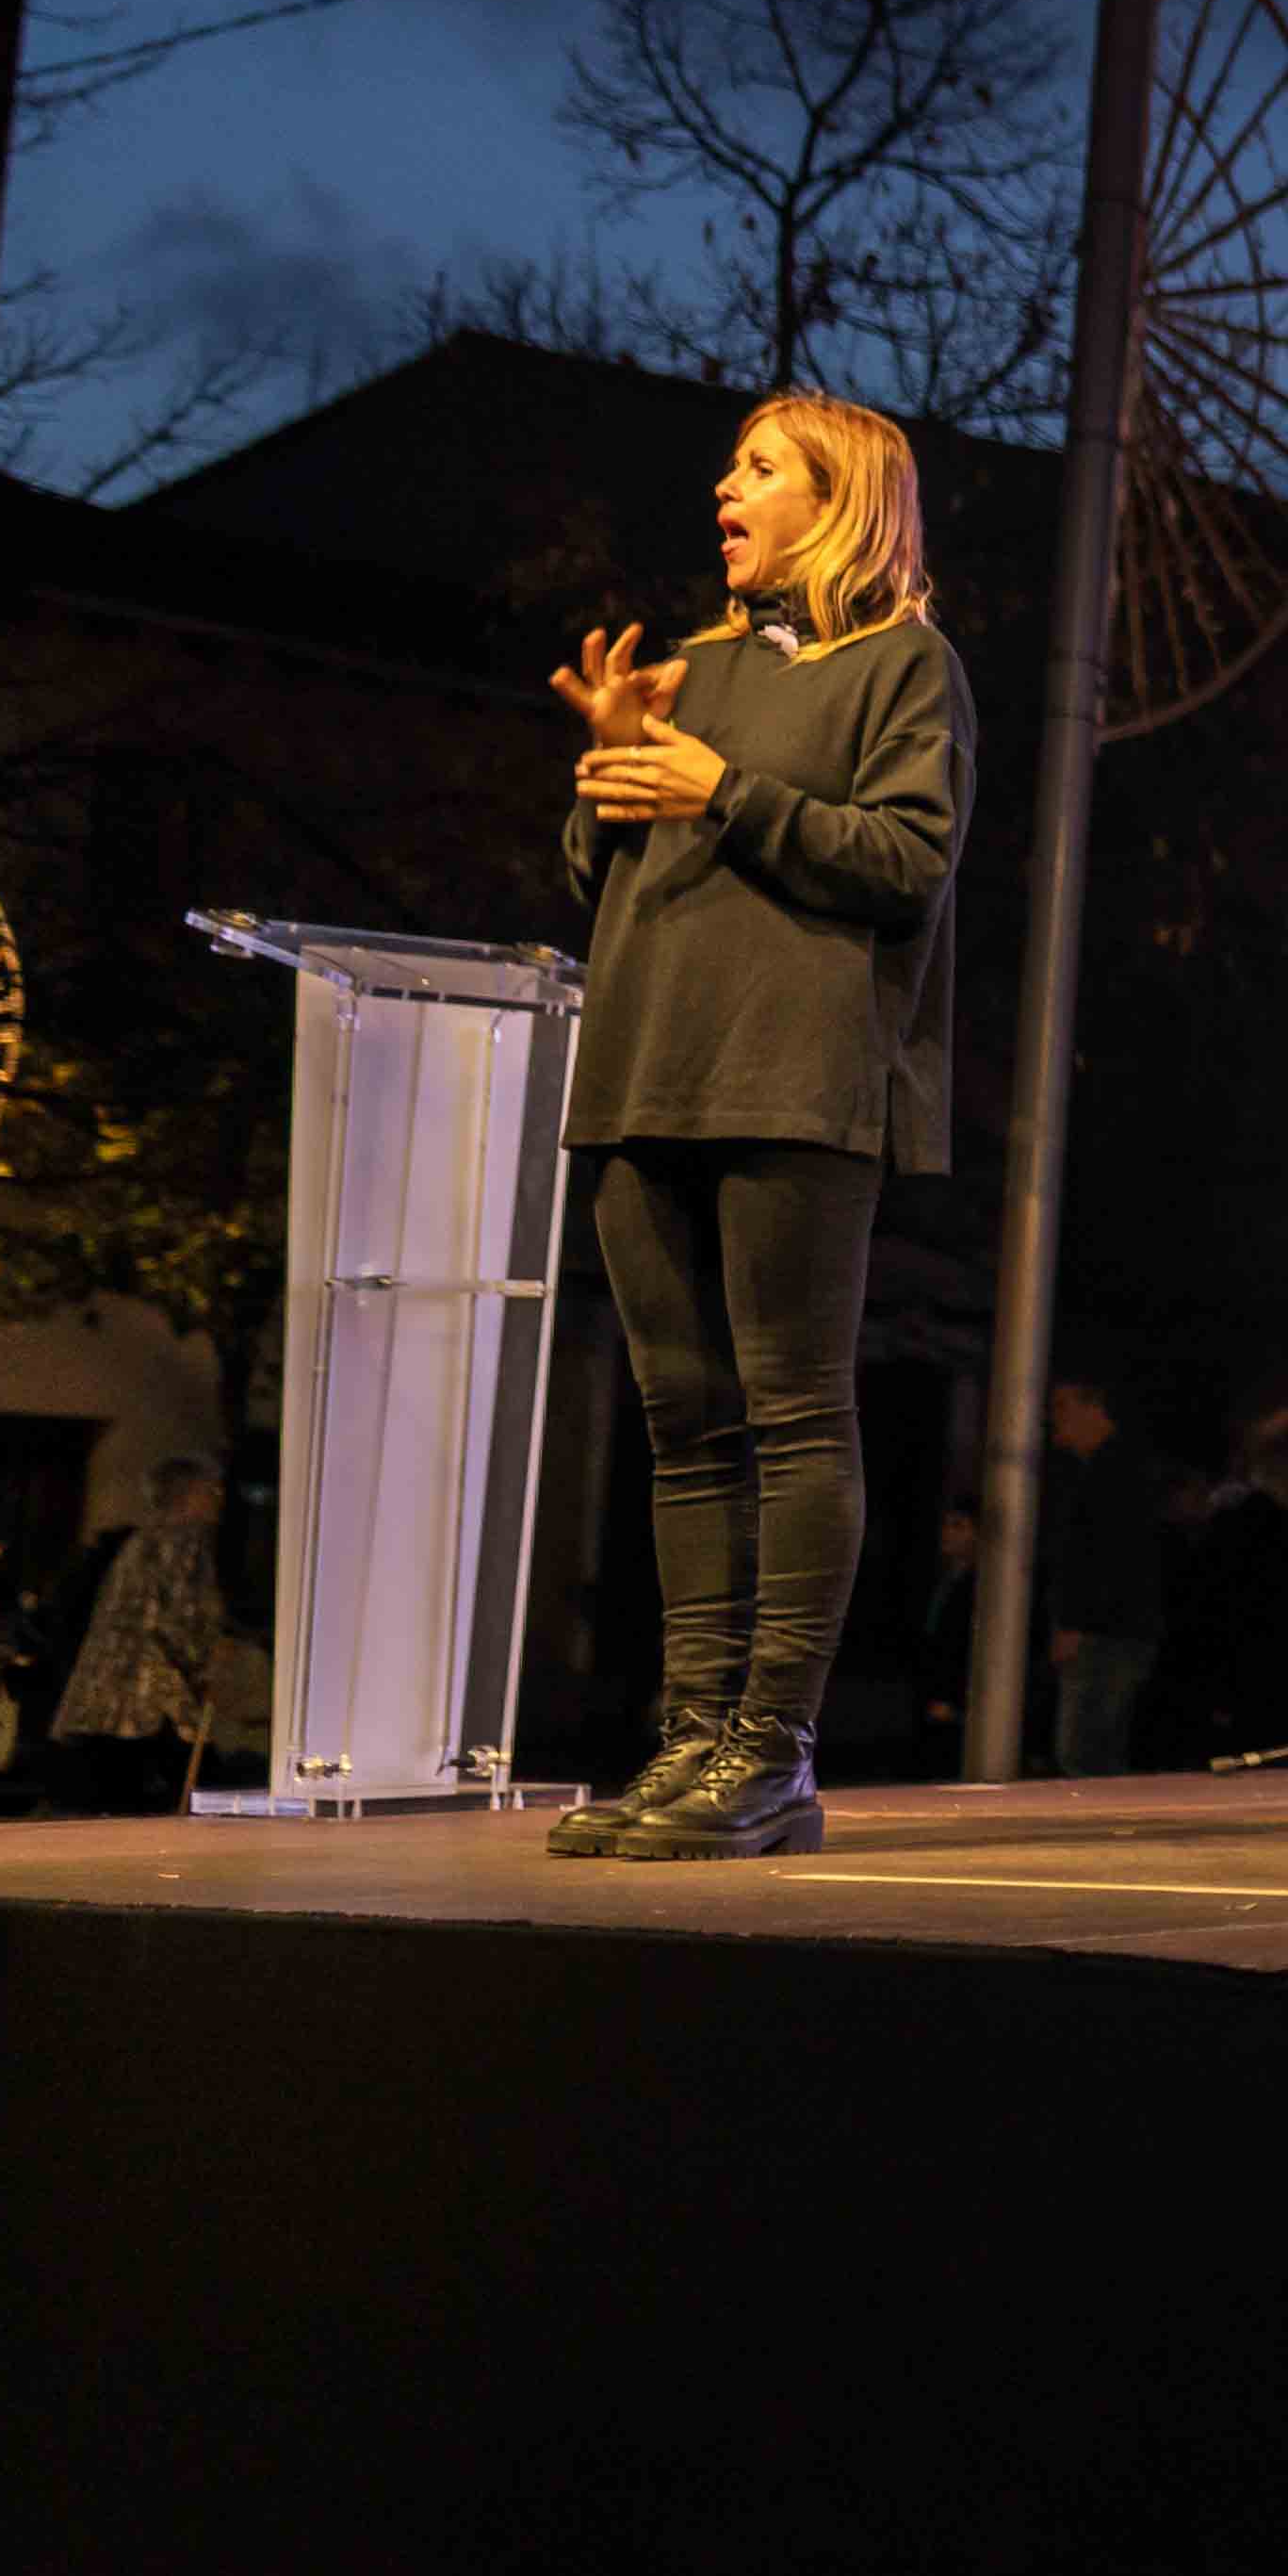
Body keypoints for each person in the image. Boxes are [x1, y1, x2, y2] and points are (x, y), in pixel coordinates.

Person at [545, 391, 975, 1862]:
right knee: (680, 1428)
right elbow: (596, 862)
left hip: (795, 1079)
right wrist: (612, 766)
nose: (725, 487)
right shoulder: (694, 667)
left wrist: (723, 786)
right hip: (646, 1069)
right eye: (732, 466)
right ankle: (686, 1743)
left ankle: (772, 1749)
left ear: (840, 498)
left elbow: (908, 860)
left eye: (760, 468)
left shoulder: (904, 668)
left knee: (793, 1414)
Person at [49, 1455, 225, 1813]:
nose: (216, 1498)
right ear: (188, 1495)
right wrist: (205, 1664)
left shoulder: (142, 1541)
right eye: (209, 1490)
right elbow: (180, 1616)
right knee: (184, 1781)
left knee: (117, 1783)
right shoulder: (182, 1540)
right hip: (152, 1692)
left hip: (109, 1692)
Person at [1037, 1372, 1166, 1778]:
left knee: (1085, 1748)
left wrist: (1075, 1622)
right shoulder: (1111, 1469)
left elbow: (1108, 1557)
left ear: (1093, 1407)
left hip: (1105, 1634)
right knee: (1093, 1746)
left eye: (1063, 1406)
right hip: (1113, 1630)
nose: (1052, 1417)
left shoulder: (1113, 1472)